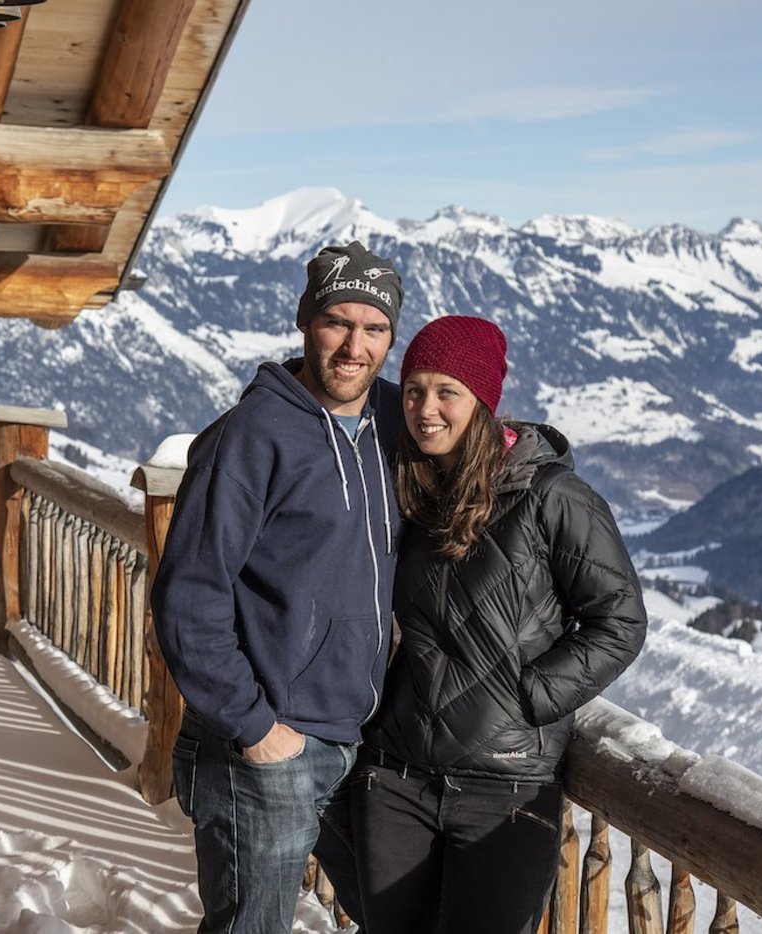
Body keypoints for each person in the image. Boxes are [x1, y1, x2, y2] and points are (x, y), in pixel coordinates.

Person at [350, 314, 648, 934]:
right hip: (396, 777)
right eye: (412, 390)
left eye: (446, 391)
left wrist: (528, 698)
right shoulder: (410, 486)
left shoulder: (552, 497)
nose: (425, 408)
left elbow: (618, 619)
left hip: (505, 789)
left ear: (483, 401)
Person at [151, 240, 405, 933]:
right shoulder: (251, 436)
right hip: (262, 746)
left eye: (375, 328)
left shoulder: (393, 422)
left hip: (354, 735)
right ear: (305, 322)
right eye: (338, 322)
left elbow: (472, 436)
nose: (355, 345)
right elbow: (188, 594)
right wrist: (256, 728)